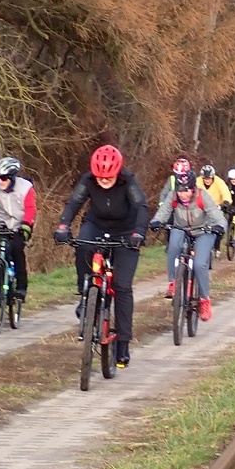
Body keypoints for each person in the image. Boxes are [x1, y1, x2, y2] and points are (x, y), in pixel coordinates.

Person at [54, 144, 148, 369]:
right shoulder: (88, 180)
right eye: (100, 177)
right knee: (82, 246)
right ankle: (86, 294)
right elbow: (74, 203)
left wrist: (138, 233)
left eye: (109, 177)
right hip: (96, 225)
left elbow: (141, 207)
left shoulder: (128, 181)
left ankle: (122, 343)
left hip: (125, 232)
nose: (104, 180)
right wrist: (63, 226)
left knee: (122, 286)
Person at [149, 171, 226, 321]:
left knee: (199, 264)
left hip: (204, 230)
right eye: (180, 191)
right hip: (181, 228)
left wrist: (220, 226)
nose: (183, 195)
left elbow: (216, 215)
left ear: (193, 188)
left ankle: (204, 300)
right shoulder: (173, 196)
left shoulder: (202, 196)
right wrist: (156, 221)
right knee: (173, 248)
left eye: (186, 191)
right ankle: (173, 282)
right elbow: (163, 212)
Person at [0, 156, 37, 301]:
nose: (0, 181)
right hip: (1, 224)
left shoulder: (25, 188)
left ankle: (21, 287)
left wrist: (26, 225)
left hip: (20, 224)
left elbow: (30, 208)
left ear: (12, 177)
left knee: (17, 251)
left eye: (3, 178)